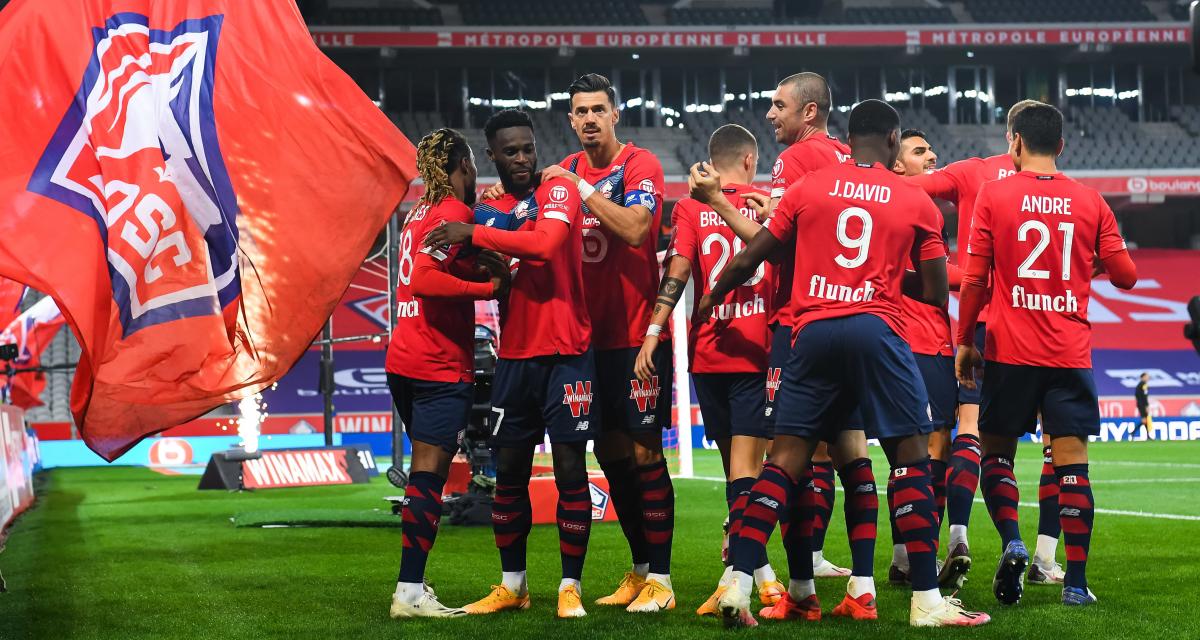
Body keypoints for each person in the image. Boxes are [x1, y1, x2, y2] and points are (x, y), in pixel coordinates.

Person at [708, 99, 990, 628]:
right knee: (909, 455)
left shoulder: (806, 189)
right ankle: (926, 600)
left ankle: (740, 586)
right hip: (876, 330)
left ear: (847, 136)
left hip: (810, 332)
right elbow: (933, 292)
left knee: (784, 461)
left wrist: (711, 297)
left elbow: (753, 256)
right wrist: (881, 280)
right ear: (891, 142)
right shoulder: (915, 200)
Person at [955, 101, 1138, 607]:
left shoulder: (994, 195)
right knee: (1073, 467)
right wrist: (1087, 265)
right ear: (1061, 145)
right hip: (1069, 352)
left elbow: (973, 279)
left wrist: (966, 339)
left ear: (1014, 141)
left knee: (995, 453)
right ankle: (1075, 583)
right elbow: (1127, 276)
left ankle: (1013, 538)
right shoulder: (1092, 201)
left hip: (1012, 350)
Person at [424, 112, 597, 619]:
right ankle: (512, 584)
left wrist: (475, 235)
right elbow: (463, 264)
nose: (522, 158)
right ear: (492, 156)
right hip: (516, 358)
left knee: (569, 470)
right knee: (509, 475)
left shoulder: (556, 191)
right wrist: (479, 256)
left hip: (568, 353)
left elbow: (544, 246)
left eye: (527, 148)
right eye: (510, 152)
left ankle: (570, 586)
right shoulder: (488, 207)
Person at [636, 124, 786, 616]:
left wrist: (654, 333)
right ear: (749, 160)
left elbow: (676, 274)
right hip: (755, 351)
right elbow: (777, 253)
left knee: (735, 471)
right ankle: (745, 579)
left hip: (707, 352)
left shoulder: (688, 207)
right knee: (747, 471)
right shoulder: (769, 206)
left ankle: (751, 577)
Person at [540, 73, 676, 611]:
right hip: (582, 339)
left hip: (635, 336)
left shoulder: (638, 165)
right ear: (570, 119)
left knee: (644, 451)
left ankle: (662, 581)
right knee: (610, 451)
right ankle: (641, 569)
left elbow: (638, 229)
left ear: (615, 114)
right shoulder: (565, 171)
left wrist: (581, 190)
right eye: (580, 111)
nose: (590, 119)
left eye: (599, 109)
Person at [387, 129, 510, 619]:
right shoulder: (452, 213)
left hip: (404, 357)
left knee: (424, 475)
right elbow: (424, 279)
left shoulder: (421, 211)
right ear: (463, 164)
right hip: (436, 364)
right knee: (427, 480)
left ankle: (412, 585)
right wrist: (487, 288)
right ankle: (410, 592)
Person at [906, 101, 1029, 578]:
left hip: (973, 326)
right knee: (1041, 448)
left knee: (946, 435)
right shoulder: (1062, 188)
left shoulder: (970, 173)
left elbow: (913, 185)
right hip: (1039, 329)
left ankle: (949, 540)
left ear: (1011, 135)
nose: (933, 157)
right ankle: (1038, 554)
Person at [887, 129, 971, 590]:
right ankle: (923, 555)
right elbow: (926, 276)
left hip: (917, 340)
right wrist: (979, 278)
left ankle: (904, 557)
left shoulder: (921, 208)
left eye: (931, 150)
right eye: (919, 151)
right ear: (896, 164)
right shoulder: (912, 207)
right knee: (930, 451)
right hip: (918, 342)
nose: (932, 155)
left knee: (907, 457)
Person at [1135, 373, 1153, 437]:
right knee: (1144, 420)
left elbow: (1137, 395)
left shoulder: (1139, 385)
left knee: (1145, 420)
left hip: (1140, 404)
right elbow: (1144, 396)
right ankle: (1133, 432)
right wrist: (1146, 406)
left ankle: (1147, 435)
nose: (1148, 378)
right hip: (1142, 405)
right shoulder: (1144, 385)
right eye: (1147, 377)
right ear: (1143, 377)